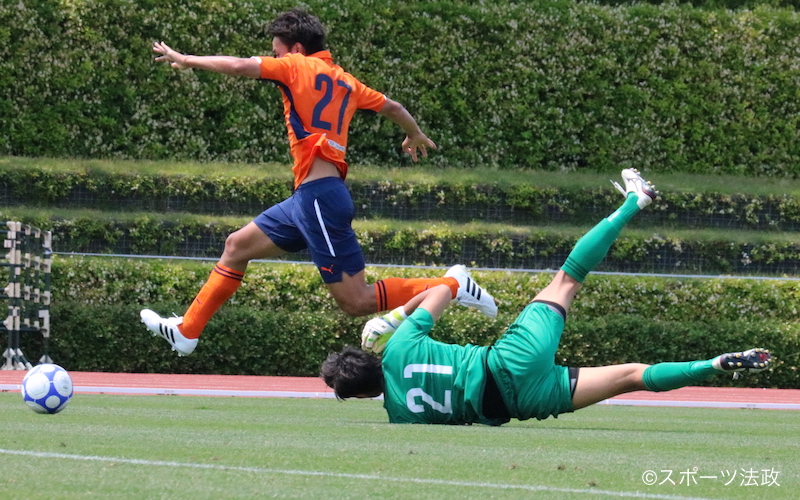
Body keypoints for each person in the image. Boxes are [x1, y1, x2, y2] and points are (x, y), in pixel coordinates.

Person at [140, 9, 497, 355]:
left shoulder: (295, 65)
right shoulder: (346, 80)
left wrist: (187, 59)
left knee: (357, 301)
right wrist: (414, 134)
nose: (272, 57)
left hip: (318, 200)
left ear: (295, 49)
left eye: (276, 51)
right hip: (306, 200)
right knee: (237, 246)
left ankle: (452, 285)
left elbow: (238, 66)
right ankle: (187, 331)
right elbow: (394, 107)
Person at [321, 169, 773, 425]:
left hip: (521, 403)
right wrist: (394, 318)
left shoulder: (400, 416)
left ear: (362, 397)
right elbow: (443, 287)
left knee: (633, 376)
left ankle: (713, 366)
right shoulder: (400, 346)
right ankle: (636, 200)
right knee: (569, 277)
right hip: (507, 361)